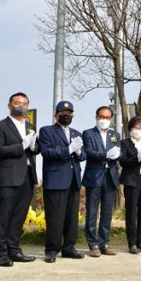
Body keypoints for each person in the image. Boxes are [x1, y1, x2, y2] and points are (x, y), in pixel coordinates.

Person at [0, 92, 39, 266]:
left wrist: (33, 146)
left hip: (27, 175)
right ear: (9, 105)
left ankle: (14, 249)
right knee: (4, 216)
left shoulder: (30, 125)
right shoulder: (0, 126)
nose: (21, 106)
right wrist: (21, 146)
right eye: (17, 103)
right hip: (8, 176)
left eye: (24, 103)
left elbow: (35, 148)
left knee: (19, 216)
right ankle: (0, 253)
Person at [38, 101, 86, 263]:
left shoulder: (76, 132)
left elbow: (83, 155)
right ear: (56, 114)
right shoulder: (46, 131)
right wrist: (68, 150)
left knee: (72, 217)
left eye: (69, 113)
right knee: (55, 217)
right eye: (63, 113)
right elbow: (46, 152)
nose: (67, 116)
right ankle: (52, 250)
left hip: (73, 179)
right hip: (56, 179)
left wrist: (79, 152)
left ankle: (69, 248)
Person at [82, 106, 121, 257]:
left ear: (111, 119)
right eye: (101, 117)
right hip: (94, 176)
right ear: (96, 117)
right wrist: (106, 154)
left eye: (107, 117)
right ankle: (93, 244)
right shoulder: (88, 133)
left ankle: (104, 243)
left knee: (106, 213)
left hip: (110, 176)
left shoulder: (115, 134)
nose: (104, 120)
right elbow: (89, 153)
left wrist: (117, 154)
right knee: (92, 212)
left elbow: (118, 151)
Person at [119, 116, 141, 254]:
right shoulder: (125, 143)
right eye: (135, 127)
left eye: (140, 127)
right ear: (130, 129)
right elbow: (122, 161)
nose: (138, 130)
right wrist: (136, 158)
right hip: (131, 180)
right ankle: (132, 243)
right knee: (131, 212)